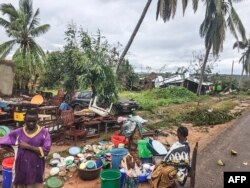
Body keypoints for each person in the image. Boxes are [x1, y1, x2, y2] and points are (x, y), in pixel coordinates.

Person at [0, 108, 51, 188]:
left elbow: (46, 150)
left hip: (36, 168)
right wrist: (13, 150)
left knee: (34, 185)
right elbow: (4, 141)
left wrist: (27, 147)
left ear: (37, 120)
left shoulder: (44, 133)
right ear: (24, 119)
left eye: (34, 121)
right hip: (21, 168)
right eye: (28, 121)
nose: (31, 123)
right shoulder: (18, 132)